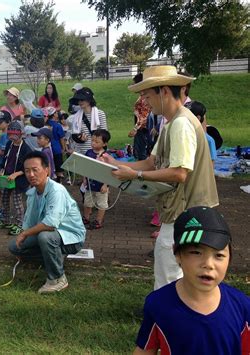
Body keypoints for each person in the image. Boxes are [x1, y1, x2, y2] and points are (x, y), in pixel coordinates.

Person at [101, 65, 219, 290]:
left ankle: (164, 315)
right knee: (172, 266)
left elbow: (179, 173)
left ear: (164, 91)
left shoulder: (181, 124)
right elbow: (151, 162)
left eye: (147, 95)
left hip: (187, 211)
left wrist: (134, 174)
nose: (145, 102)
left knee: (169, 267)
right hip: (180, 210)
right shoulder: (170, 122)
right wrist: (116, 163)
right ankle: (168, 311)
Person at [133, 206, 250, 355]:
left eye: (219, 255)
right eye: (196, 252)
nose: (208, 264)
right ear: (177, 254)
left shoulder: (243, 307)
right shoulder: (158, 304)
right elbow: (145, 349)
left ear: (230, 258)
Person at [8, 151, 86, 294]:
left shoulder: (57, 190)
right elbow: (29, 223)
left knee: (45, 236)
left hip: (71, 238)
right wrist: (23, 234)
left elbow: (50, 224)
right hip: (51, 235)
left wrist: (25, 233)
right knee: (14, 247)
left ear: (47, 170)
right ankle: (55, 257)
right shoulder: (32, 193)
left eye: (35, 170)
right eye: (27, 171)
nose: (31, 175)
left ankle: (57, 278)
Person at [0, 121, 32, 236]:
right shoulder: (9, 144)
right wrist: (2, 168)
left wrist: (16, 174)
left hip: (18, 180)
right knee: (5, 200)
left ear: (21, 134)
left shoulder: (26, 149)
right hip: (7, 178)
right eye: (10, 135)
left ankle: (20, 224)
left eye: (14, 135)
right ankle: (6, 221)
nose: (12, 138)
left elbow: (27, 167)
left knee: (17, 203)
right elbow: (5, 159)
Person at [81, 129, 110, 230]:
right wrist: (84, 178)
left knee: (101, 204)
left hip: (101, 185)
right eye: (92, 140)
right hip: (89, 183)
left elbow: (109, 171)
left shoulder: (106, 156)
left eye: (97, 142)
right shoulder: (88, 152)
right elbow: (85, 166)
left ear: (105, 143)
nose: (93, 143)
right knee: (87, 202)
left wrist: (105, 184)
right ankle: (86, 218)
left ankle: (98, 221)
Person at [67, 87, 108, 155]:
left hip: (97, 153)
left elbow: (105, 135)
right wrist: (80, 138)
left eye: (82, 99)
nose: (80, 102)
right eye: (78, 100)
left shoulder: (100, 114)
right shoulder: (76, 116)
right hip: (80, 152)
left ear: (89, 100)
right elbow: (74, 135)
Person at [128, 73, 152, 161]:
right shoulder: (142, 97)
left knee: (142, 153)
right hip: (141, 129)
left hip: (143, 129)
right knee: (139, 151)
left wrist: (135, 129)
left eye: (135, 83)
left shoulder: (144, 98)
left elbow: (144, 115)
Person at [185, 101, 217, 165]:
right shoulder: (182, 135)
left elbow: (211, 165)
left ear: (198, 118)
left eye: (187, 116)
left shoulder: (208, 140)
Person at [45, 107, 66, 183]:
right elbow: (61, 138)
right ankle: (58, 183)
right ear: (53, 115)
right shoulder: (58, 125)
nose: (57, 114)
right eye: (56, 113)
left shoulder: (46, 124)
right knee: (58, 167)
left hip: (47, 148)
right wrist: (63, 148)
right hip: (57, 148)